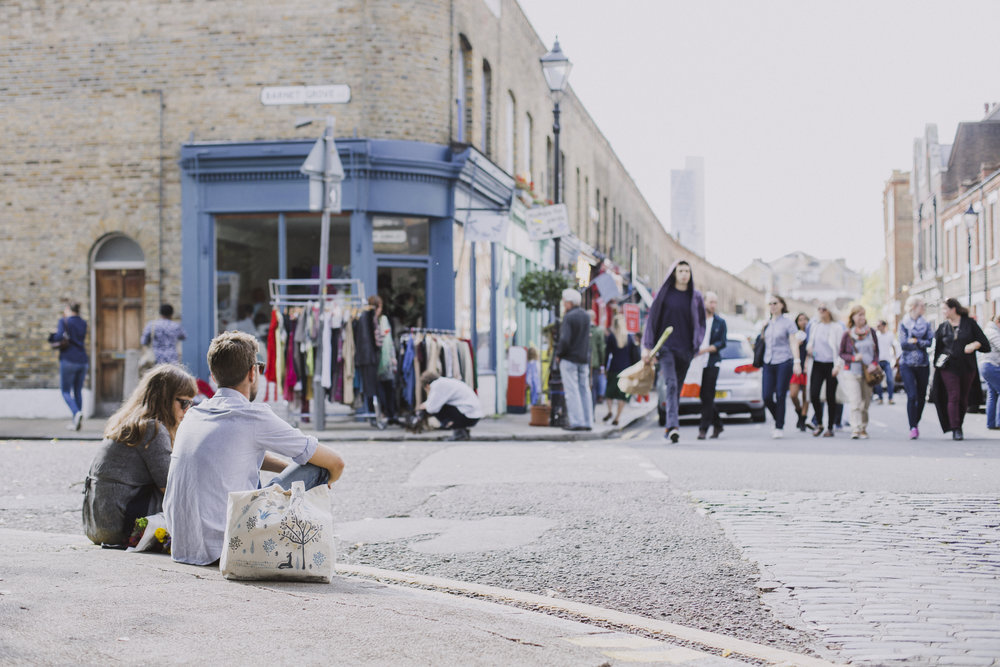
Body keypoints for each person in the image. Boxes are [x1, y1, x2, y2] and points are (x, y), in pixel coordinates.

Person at [164, 331, 345, 566]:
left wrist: (287, 466)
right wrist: (323, 479)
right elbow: (336, 463)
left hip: (183, 545)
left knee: (253, 474)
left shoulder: (194, 414)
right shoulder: (253, 416)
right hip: (227, 546)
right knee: (317, 469)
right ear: (253, 372)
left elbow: (238, 454)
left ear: (213, 375)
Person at [82, 365, 197, 547]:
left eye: (191, 403)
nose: (187, 409)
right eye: (183, 403)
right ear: (164, 400)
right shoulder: (153, 429)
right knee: (183, 488)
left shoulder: (128, 422)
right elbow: (171, 487)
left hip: (96, 525)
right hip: (121, 526)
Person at [642, 260, 705, 443]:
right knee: (671, 385)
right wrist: (648, 347)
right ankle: (674, 427)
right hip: (666, 348)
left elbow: (701, 323)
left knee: (676, 388)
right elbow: (652, 320)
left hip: (686, 350)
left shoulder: (696, 296)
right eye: (681, 271)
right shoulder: (664, 294)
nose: (684, 274)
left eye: (687, 271)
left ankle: (669, 426)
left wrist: (697, 344)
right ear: (674, 273)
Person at [929, 298, 990, 440]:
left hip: (967, 367)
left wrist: (975, 344)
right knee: (953, 395)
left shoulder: (970, 324)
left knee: (963, 398)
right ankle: (956, 428)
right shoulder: (943, 327)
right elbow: (937, 349)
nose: (943, 312)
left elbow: (985, 344)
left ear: (953, 309)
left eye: (945, 309)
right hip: (948, 368)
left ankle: (959, 423)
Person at [759, 295, 803, 439]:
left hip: (784, 361)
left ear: (782, 305)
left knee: (780, 394)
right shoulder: (766, 324)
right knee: (766, 396)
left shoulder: (788, 323)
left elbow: (793, 342)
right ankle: (778, 417)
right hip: (768, 361)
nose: (772, 306)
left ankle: (779, 426)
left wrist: (797, 361)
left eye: (775, 303)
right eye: (770, 304)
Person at [838, 305, 880, 440]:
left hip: (868, 372)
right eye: (859, 315)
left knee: (865, 403)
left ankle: (863, 428)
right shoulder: (847, 334)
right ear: (853, 317)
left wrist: (874, 364)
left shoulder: (871, 332)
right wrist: (853, 358)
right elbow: (842, 353)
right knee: (855, 401)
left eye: (863, 314)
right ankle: (855, 428)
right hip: (852, 371)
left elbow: (876, 352)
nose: (862, 317)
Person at [555, 288, 593, 432]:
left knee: (572, 391)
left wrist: (559, 354)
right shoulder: (586, 316)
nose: (564, 304)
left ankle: (577, 421)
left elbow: (565, 339)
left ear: (570, 302)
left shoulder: (569, 317)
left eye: (565, 302)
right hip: (583, 358)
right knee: (584, 390)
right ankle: (588, 421)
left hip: (569, 358)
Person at [897, 295, 934, 439]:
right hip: (907, 364)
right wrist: (919, 342)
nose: (923, 308)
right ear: (913, 307)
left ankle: (915, 422)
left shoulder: (926, 324)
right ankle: (912, 426)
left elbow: (930, 342)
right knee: (912, 396)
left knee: (921, 396)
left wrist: (915, 341)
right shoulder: (903, 324)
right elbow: (903, 343)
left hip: (923, 364)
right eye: (921, 306)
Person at [806, 304, 843, 438]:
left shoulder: (836, 327)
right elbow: (811, 342)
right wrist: (809, 348)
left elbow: (840, 349)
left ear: (829, 311)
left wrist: (838, 365)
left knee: (830, 396)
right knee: (814, 394)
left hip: (831, 365)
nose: (821, 311)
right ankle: (819, 423)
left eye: (824, 309)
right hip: (817, 363)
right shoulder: (815, 326)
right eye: (819, 309)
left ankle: (830, 427)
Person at [695, 291, 727, 440]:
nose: (713, 305)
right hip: (697, 362)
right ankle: (718, 424)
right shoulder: (697, 320)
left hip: (713, 362)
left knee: (708, 394)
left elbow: (722, 342)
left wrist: (706, 350)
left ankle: (703, 429)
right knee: (704, 396)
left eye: (715, 302)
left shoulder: (720, 322)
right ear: (704, 302)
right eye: (711, 302)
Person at [417, 370, 484, 440]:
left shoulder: (436, 385)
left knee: (436, 408)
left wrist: (424, 407)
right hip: (473, 414)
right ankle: (462, 431)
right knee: (439, 405)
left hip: (469, 415)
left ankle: (458, 432)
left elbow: (432, 408)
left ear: (427, 385)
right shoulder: (444, 382)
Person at [52, 302, 89, 431]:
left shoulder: (64, 321)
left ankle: (76, 413)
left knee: (65, 391)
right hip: (83, 360)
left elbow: (58, 336)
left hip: (68, 359)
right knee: (77, 390)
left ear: (68, 309)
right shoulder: (83, 323)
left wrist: (53, 334)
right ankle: (77, 422)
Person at [602, 313, 638, 427]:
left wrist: (604, 367)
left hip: (614, 368)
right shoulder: (629, 338)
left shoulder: (611, 337)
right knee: (622, 395)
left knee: (609, 393)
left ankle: (610, 411)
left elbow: (607, 354)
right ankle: (617, 417)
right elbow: (634, 355)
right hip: (626, 369)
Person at [371, 295, 398, 424]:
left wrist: (393, 358)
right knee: (380, 391)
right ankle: (382, 414)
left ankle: (391, 414)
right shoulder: (371, 321)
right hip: (376, 362)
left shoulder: (384, 320)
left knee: (390, 389)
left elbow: (390, 341)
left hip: (387, 361)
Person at [789, 312, 810, 431]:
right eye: (800, 320)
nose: (803, 322)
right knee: (793, 394)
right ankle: (798, 411)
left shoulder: (811, 335)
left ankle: (803, 417)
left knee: (806, 395)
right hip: (796, 367)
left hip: (808, 366)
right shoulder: (795, 336)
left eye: (805, 319)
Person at [980, 312, 1000, 430]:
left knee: (992, 394)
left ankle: (991, 423)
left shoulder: (988, 330)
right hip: (991, 365)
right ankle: (998, 422)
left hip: (986, 366)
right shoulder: (992, 331)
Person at [873, 320, 900, 405]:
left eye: (879, 326)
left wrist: (895, 358)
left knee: (890, 380)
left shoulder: (890, 335)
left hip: (887, 360)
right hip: (878, 361)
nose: (877, 328)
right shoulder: (876, 336)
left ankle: (890, 398)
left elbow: (894, 346)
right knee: (878, 381)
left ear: (884, 326)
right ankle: (880, 398)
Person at [589, 310, 607, 409]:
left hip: (582, 362)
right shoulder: (598, 331)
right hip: (594, 364)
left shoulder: (583, 329)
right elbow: (601, 349)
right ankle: (591, 414)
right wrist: (602, 364)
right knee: (593, 389)